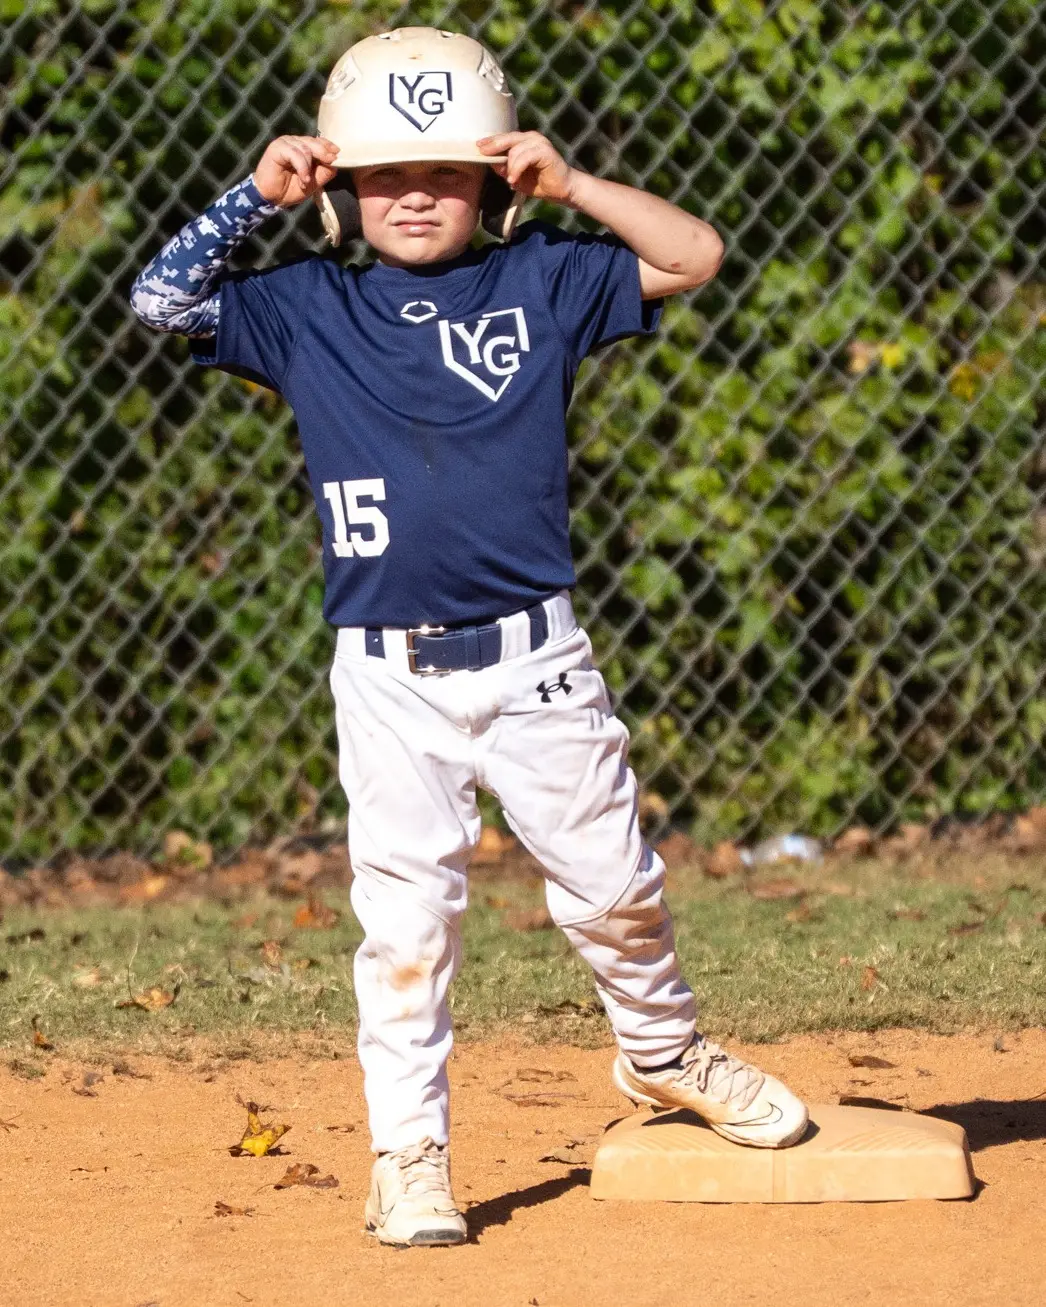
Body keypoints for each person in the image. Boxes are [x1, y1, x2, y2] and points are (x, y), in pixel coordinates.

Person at [130, 26, 808, 1248]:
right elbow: (158, 301)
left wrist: (572, 185)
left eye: (444, 171)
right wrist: (255, 195)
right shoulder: (306, 305)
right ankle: (408, 1153)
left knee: (615, 887)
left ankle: (663, 1053)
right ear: (340, 187)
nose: (413, 194)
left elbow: (694, 254)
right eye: (383, 174)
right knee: (406, 928)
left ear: (493, 181)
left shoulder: (541, 278)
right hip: (388, 675)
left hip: (538, 659)